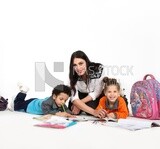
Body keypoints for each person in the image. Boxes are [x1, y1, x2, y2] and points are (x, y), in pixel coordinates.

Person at [68, 50, 106, 118]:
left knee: (92, 108)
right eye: (75, 65)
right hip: (81, 94)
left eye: (81, 63)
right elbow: (74, 98)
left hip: (94, 96)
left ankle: (85, 108)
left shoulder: (98, 69)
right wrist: (77, 104)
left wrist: (80, 104)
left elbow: (97, 92)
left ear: (86, 62)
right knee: (72, 109)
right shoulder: (72, 75)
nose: (78, 68)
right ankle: (84, 108)